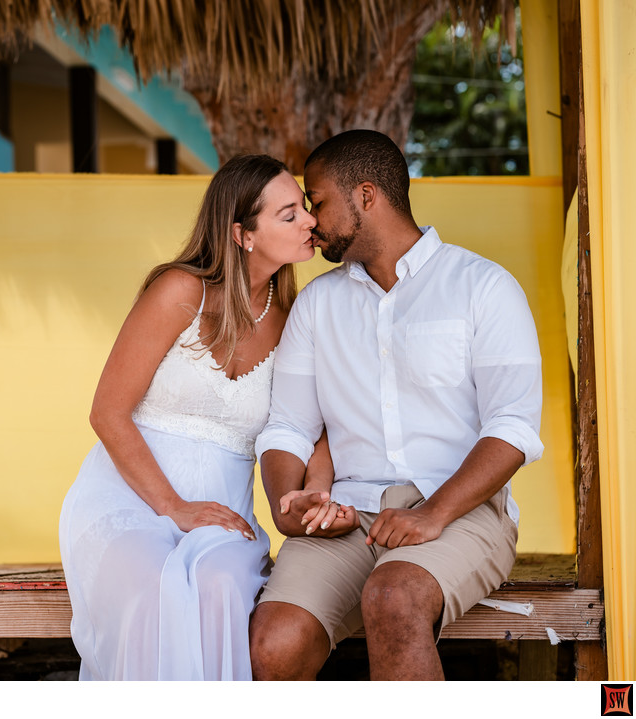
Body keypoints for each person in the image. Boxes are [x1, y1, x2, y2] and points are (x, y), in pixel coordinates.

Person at [249, 130, 543, 680]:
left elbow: (514, 428)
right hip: (346, 517)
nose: (311, 219)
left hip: (458, 511)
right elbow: (288, 425)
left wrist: (431, 514)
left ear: (365, 196)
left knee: (394, 597)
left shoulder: (483, 287)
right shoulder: (317, 305)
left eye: (318, 201)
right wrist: (290, 500)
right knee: (274, 642)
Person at [59, 154, 325, 680]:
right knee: (150, 581)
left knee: (220, 585)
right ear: (242, 234)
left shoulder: (295, 317)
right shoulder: (181, 290)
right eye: (289, 214)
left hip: (224, 513)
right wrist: (172, 507)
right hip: (131, 499)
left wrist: (313, 491)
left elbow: (312, 429)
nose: (311, 222)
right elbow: (107, 411)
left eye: (306, 209)